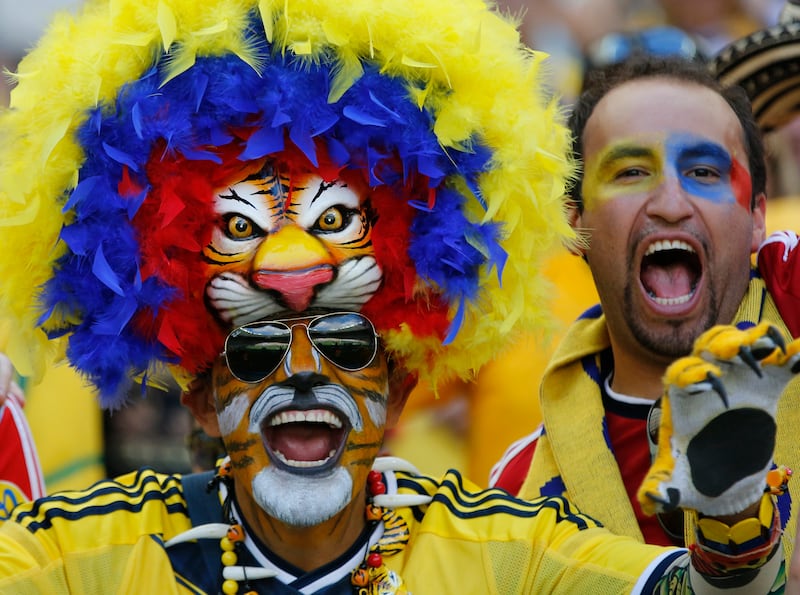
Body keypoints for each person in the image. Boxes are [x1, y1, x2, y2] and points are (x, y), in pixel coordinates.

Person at [0, 0, 794, 592]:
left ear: (397, 391)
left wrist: (728, 514)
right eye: (257, 350)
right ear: (204, 403)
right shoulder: (94, 550)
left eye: (347, 347)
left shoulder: (496, 546)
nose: (304, 373)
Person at [489, 51, 800, 561]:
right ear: (575, 225)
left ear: (757, 218)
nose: (671, 204)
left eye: (703, 171)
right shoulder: (518, 496)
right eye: (632, 172)